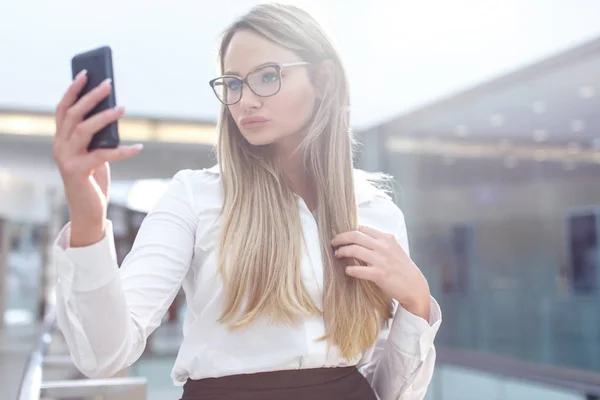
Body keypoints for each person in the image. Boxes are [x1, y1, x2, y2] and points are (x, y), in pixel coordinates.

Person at [51, 3, 442, 400]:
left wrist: (416, 299)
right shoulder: (194, 197)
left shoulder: (376, 211)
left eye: (267, 77)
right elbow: (104, 355)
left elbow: (391, 392)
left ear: (322, 79)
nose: (245, 101)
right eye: (234, 83)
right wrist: (87, 220)